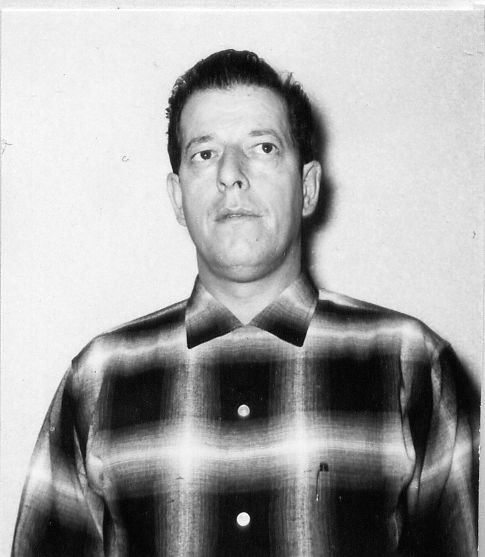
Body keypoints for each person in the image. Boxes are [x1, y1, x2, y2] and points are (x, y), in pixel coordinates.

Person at [12, 49, 477, 556]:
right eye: (204, 154)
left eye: (263, 147)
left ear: (308, 188)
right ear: (178, 197)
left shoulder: (413, 364)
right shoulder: (98, 377)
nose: (230, 174)